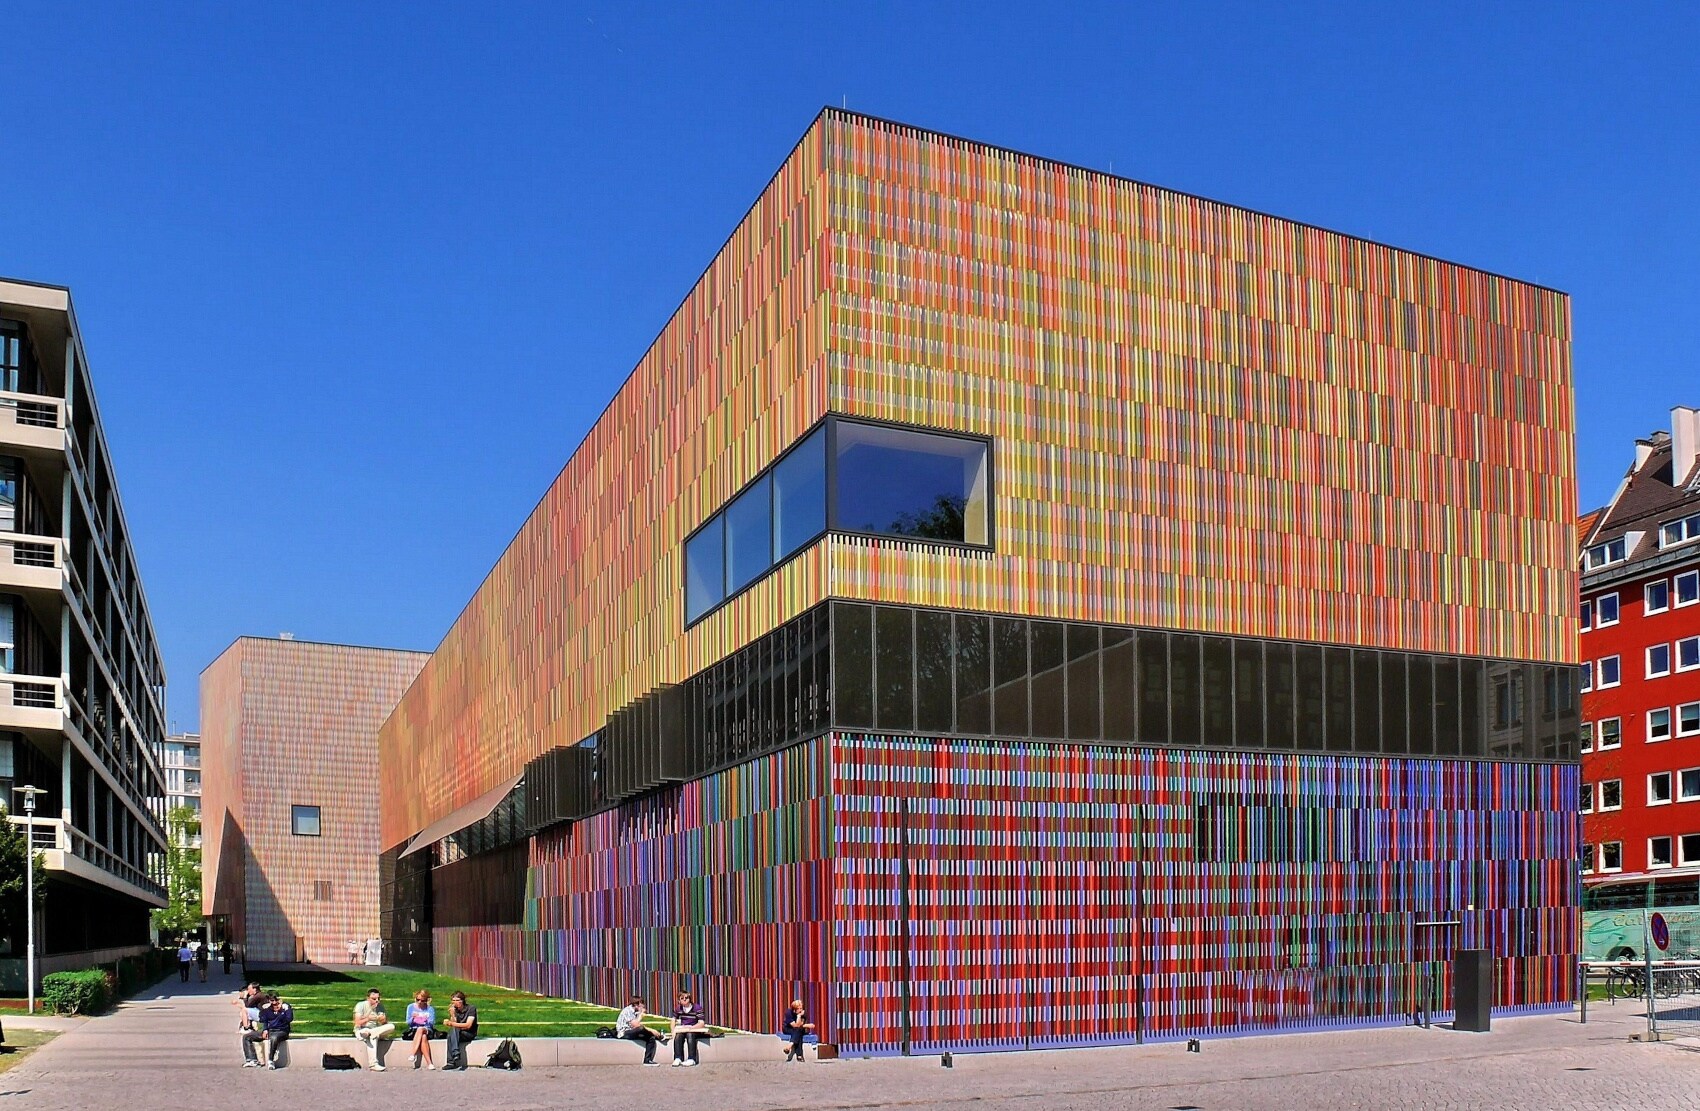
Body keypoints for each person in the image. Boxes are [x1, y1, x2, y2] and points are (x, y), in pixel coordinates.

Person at [353, 988, 396, 1071]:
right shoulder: (360, 1005)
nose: (377, 1001)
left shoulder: (380, 1007)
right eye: (374, 999)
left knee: (391, 1026)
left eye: (378, 999)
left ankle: (371, 1033)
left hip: (374, 1030)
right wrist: (368, 1019)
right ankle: (373, 1064)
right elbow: (357, 1023)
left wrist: (383, 1020)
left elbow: (385, 1024)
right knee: (372, 1036)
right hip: (362, 1030)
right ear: (368, 998)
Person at [616, 995, 662, 1066]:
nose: (643, 1005)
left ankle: (647, 1060)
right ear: (636, 1005)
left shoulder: (635, 1011)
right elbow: (636, 1025)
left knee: (650, 1037)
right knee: (642, 1029)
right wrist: (641, 1015)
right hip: (624, 1033)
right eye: (641, 1004)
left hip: (632, 1031)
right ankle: (657, 1035)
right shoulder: (627, 1011)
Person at [670, 990, 707, 1067]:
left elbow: (701, 1023)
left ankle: (692, 1059)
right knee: (678, 1036)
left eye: (686, 998)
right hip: (684, 1028)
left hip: (695, 1028)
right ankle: (678, 1058)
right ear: (679, 1000)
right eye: (682, 998)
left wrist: (691, 1028)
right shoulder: (678, 1008)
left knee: (690, 1035)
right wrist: (673, 1030)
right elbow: (673, 1020)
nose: (684, 999)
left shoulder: (697, 1008)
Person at [444, 990, 478, 1070]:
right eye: (453, 1001)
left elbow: (468, 1025)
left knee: (454, 1030)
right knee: (450, 1035)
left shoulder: (471, 1009)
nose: (455, 1003)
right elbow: (454, 1023)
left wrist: (451, 1023)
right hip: (458, 1033)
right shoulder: (455, 1010)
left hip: (469, 1033)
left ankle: (454, 1056)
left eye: (457, 1000)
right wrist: (452, 1014)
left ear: (462, 1001)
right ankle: (452, 1060)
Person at [260, 993, 294, 1069]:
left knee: (274, 1038)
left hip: (282, 1031)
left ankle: (271, 1060)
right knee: (248, 1037)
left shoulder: (285, 1007)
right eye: (271, 1001)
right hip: (270, 1030)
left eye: (276, 1000)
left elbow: (289, 1019)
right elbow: (264, 1019)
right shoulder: (268, 1008)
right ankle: (251, 1059)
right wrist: (265, 1029)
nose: (274, 1003)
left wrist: (282, 1011)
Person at [405, 989, 437, 1069]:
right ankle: (429, 1063)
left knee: (421, 1029)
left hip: (427, 1029)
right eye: (417, 999)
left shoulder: (430, 1009)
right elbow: (408, 1023)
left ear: (426, 1000)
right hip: (414, 1030)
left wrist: (424, 1019)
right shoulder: (411, 1007)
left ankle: (413, 1054)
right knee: (423, 1037)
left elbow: (431, 1023)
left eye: (422, 1000)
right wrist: (413, 1018)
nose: (419, 1002)